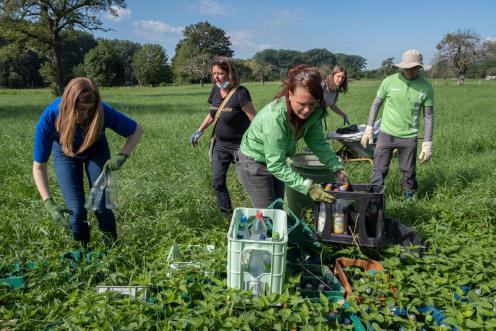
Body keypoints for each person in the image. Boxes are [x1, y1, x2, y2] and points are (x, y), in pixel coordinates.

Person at [33, 77, 144, 246]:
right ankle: (83, 253)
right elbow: (39, 167)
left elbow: (136, 130)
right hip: (65, 155)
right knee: (76, 211)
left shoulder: (102, 111)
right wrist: (48, 203)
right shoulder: (50, 117)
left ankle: (112, 250)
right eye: (80, 109)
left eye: (90, 110)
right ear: (69, 105)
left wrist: (122, 156)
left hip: (96, 151)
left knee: (102, 207)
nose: (85, 115)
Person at [236, 64, 348, 208]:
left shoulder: (314, 112)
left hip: (276, 159)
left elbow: (318, 144)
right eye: (302, 104)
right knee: (267, 214)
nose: (307, 110)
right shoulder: (275, 118)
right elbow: (275, 165)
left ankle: (279, 229)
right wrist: (309, 187)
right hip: (254, 161)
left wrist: (336, 168)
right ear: (290, 95)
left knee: (278, 207)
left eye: (312, 104)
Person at [361, 49, 434, 200]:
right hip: (386, 133)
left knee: (408, 171)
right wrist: (369, 128)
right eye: (407, 67)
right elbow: (376, 105)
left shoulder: (426, 87)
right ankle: (374, 200)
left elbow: (428, 116)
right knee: (379, 169)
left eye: (413, 67)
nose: (409, 71)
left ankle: (409, 199)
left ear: (419, 67)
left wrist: (427, 143)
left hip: (409, 136)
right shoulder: (389, 81)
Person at [189, 57, 256, 215]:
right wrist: (199, 131)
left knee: (251, 181)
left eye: (220, 73)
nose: (216, 77)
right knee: (218, 182)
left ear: (229, 73)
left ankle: (260, 212)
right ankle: (226, 214)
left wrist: (258, 142)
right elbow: (212, 114)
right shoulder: (215, 90)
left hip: (241, 146)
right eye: (214, 74)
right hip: (220, 146)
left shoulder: (241, 92)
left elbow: (254, 118)